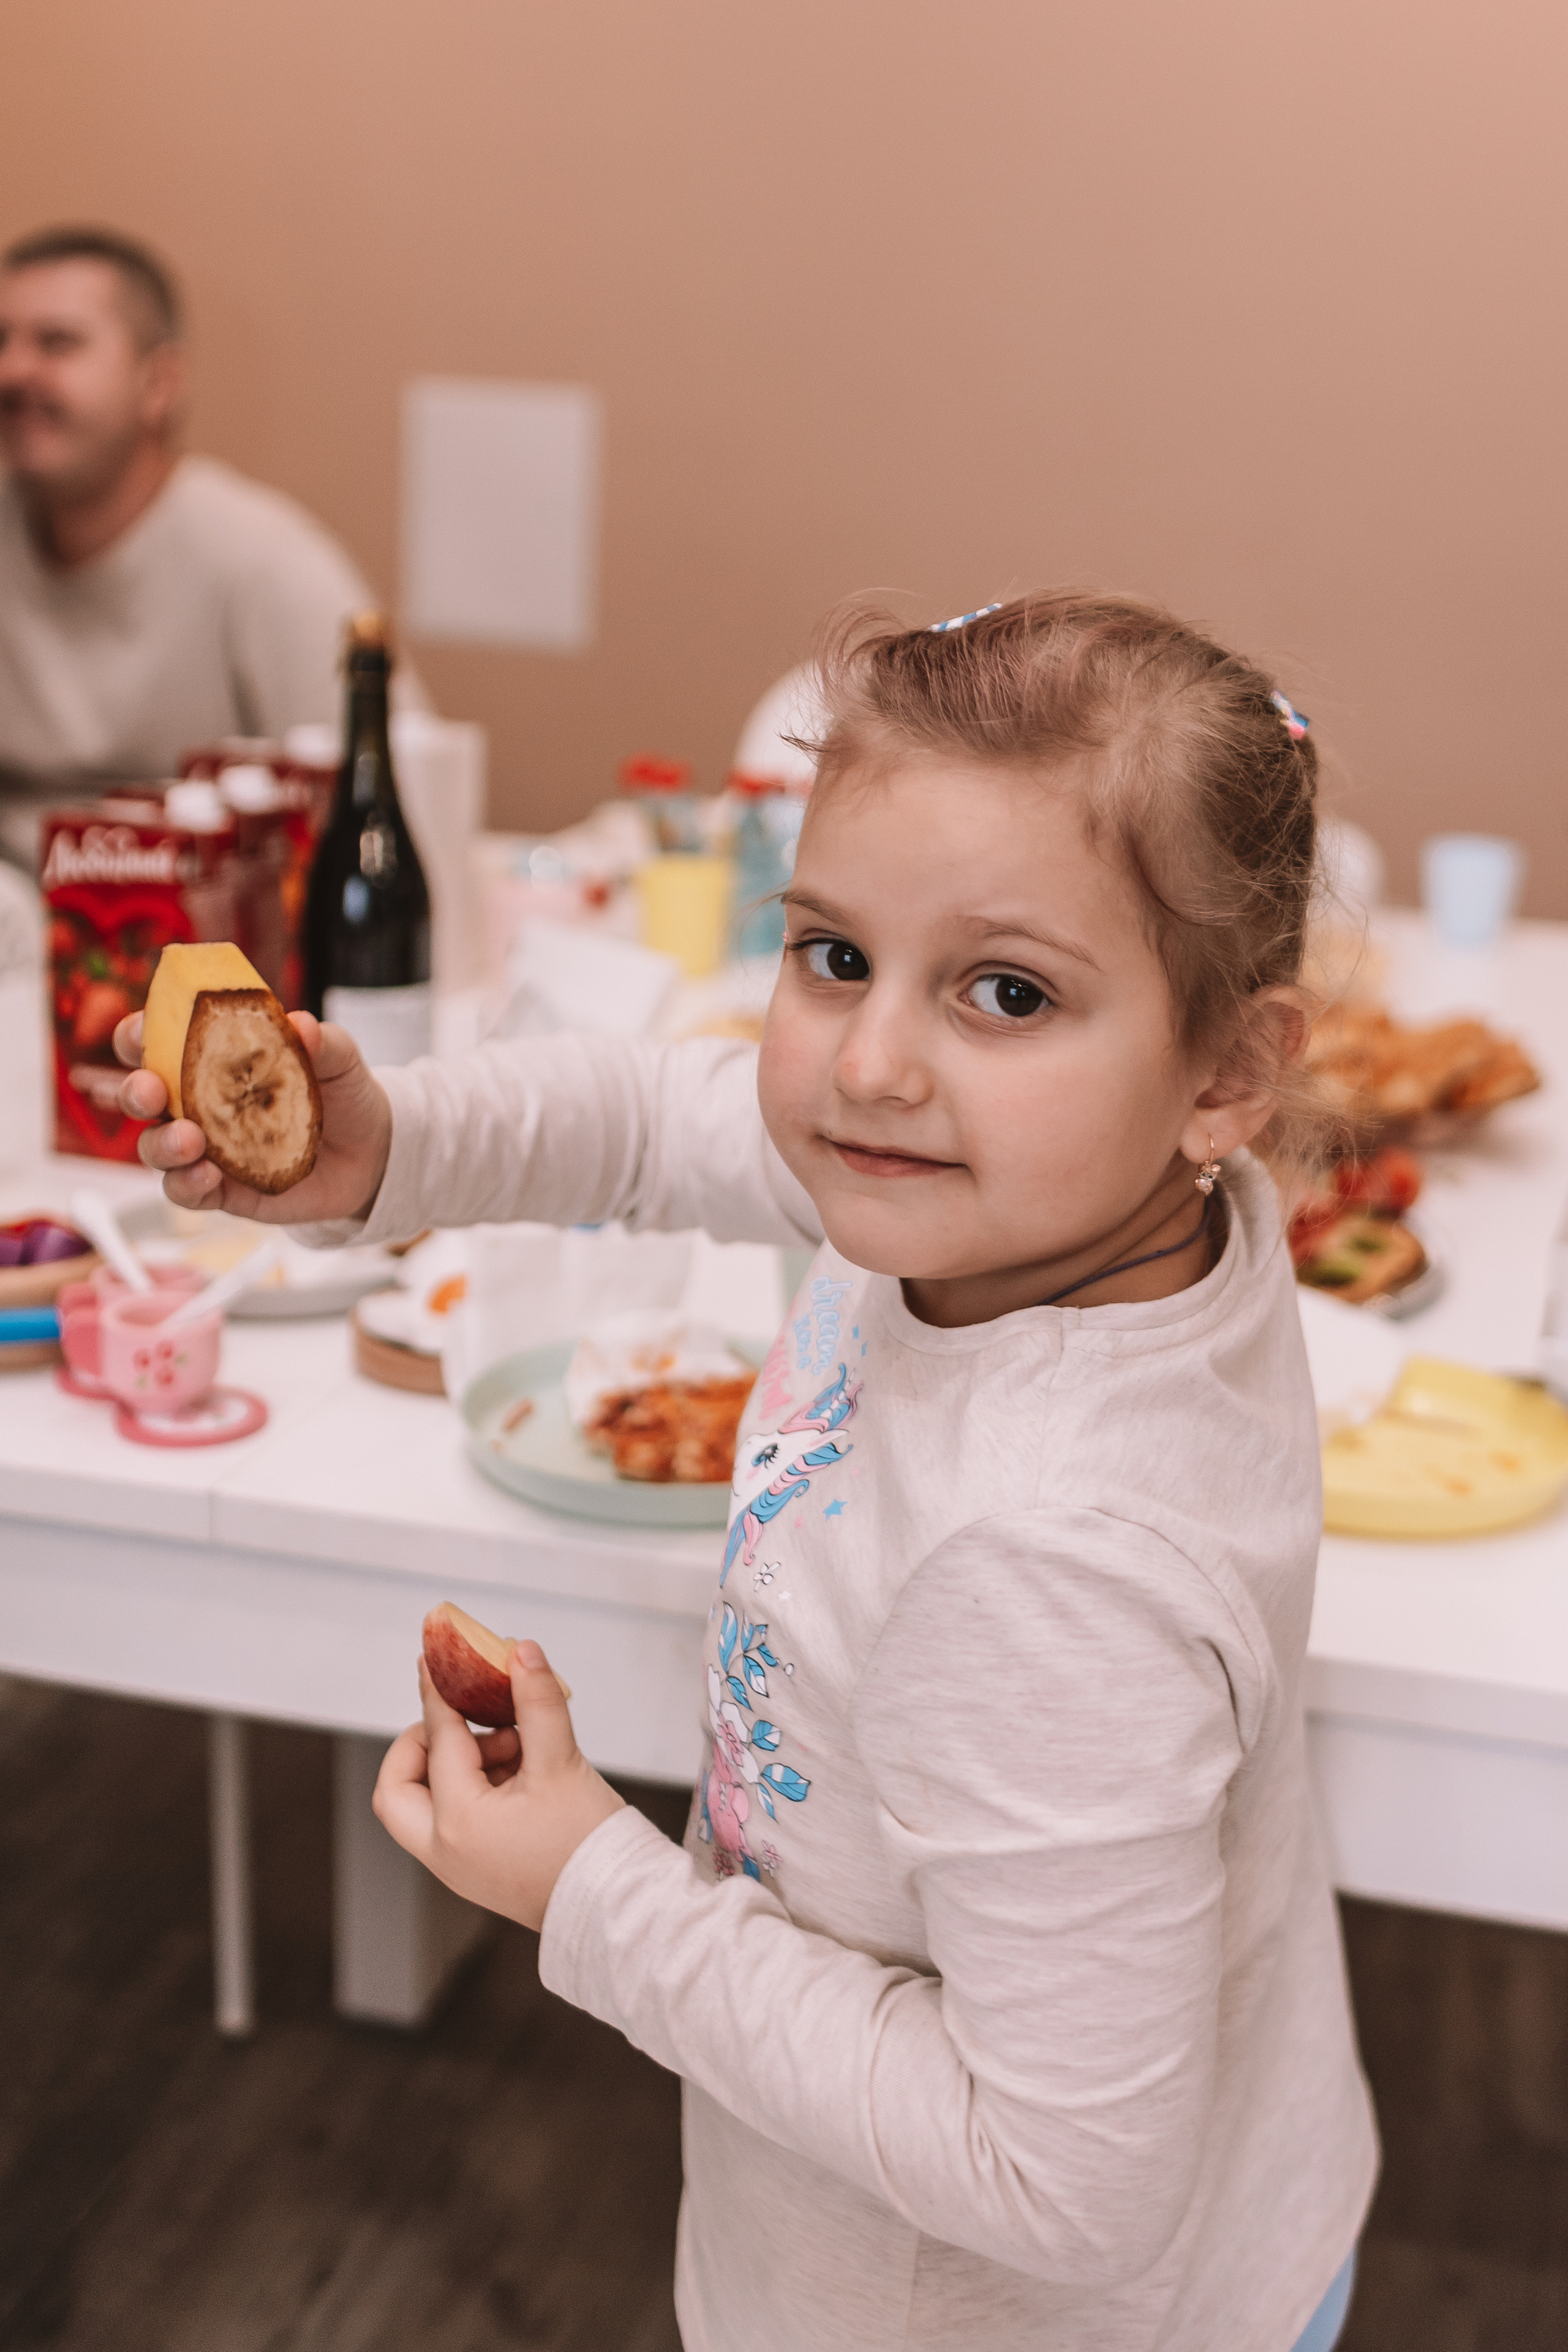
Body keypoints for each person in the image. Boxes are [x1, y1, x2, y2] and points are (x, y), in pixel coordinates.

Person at [116, 591, 1377, 2352]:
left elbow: (1066, 2184)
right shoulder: (1044, 1205)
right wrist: (389, 1141)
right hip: (1211, 2200)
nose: (869, 1061)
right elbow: (659, 1118)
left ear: (1227, 1073)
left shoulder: (1046, 1565)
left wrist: (593, 1886)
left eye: (1006, 990)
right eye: (834, 954)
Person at [0, 225, 416, 866]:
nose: (14, 370)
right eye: (2, 340)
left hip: (196, 937)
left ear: (159, 384)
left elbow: (395, 789)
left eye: (58, 343)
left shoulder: (262, 562)